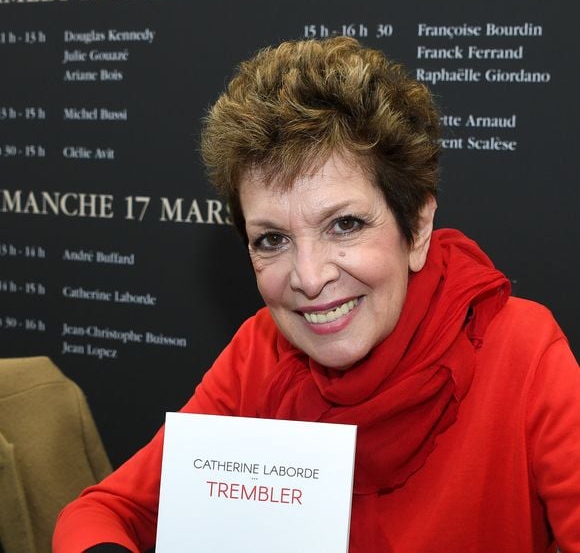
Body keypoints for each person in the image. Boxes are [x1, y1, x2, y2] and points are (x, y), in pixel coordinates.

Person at [53, 37, 580, 552]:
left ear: (416, 228)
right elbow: (105, 512)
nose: (307, 277)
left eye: (344, 224)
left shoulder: (522, 353)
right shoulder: (259, 352)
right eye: (273, 240)